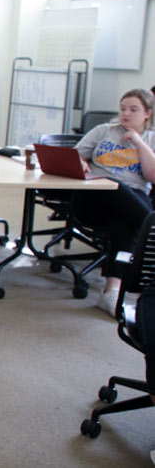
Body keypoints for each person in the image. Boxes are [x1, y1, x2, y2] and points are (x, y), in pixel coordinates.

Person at [72, 88, 155, 316]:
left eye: (133, 109)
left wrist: (139, 143)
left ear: (147, 113)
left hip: (132, 199)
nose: (126, 114)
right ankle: (152, 226)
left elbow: (153, 177)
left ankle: (111, 293)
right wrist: (81, 162)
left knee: (125, 222)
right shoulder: (103, 131)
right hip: (95, 196)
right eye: (123, 108)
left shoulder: (151, 138)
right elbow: (74, 156)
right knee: (113, 185)